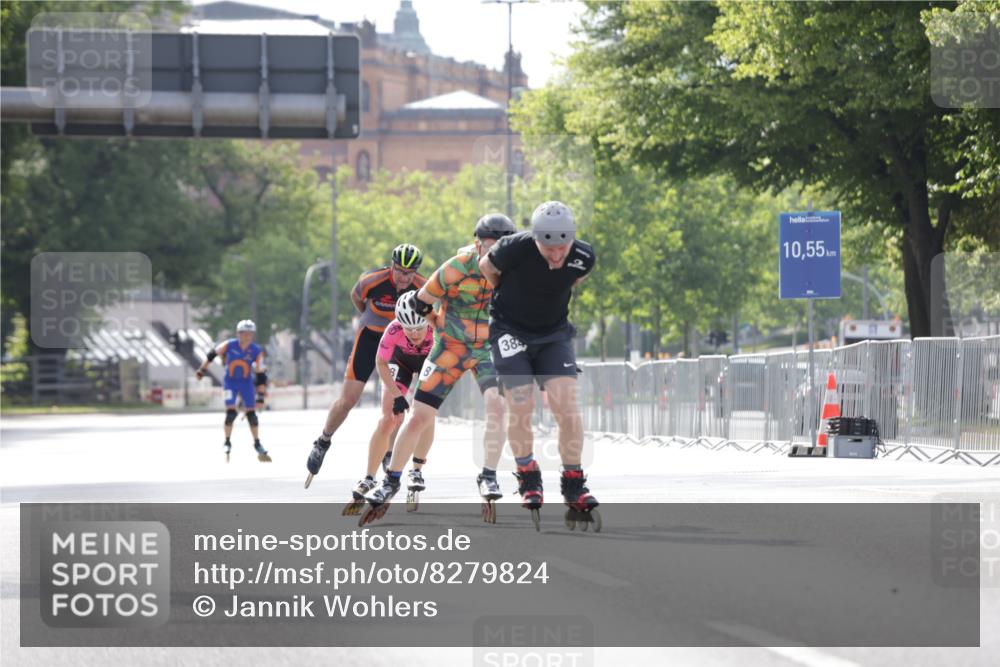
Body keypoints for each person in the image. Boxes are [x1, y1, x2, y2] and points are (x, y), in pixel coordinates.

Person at [361, 214, 517, 524]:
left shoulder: (513, 269)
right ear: (477, 243)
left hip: (487, 348)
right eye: (489, 246)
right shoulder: (458, 266)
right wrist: (440, 327)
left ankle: (488, 475)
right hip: (450, 349)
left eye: (502, 247)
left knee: (498, 408)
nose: (495, 253)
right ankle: (391, 480)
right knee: (419, 417)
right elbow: (421, 301)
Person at [478, 201, 600, 531]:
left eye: (563, 247)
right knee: (521, 402)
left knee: (567, 406)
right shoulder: (512, 248)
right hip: (509, 330)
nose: (557, 255)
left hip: (553, 333)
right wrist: (506, 292)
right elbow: (486, 267)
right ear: (535, 239)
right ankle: (528, 473)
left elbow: (574, 279)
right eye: (548, 248)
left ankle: (574, 482)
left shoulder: (584, 256)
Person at [305, 244, 426, 483]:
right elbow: (356, 297)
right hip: (369, 337)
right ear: (392, 266)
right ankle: (323, 440)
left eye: (410, 273)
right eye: (400, 271)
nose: (404, 277)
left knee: (394, 407)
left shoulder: (421, 286)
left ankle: (388, 453)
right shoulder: (373, 280)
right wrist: (369, 317)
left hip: (396, 346)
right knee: (348, 400)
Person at [339, 296, 434, 513]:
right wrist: (396, 395)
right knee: (388, 419)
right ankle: (369, 478)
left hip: (430, 361)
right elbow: (381, 362)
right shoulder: (392, 330)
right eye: (409, 329)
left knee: (426, 414)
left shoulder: (438, 328)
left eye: (419, 328)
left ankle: (416, 470)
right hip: (399, 362)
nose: (415, 334)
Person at [195, 319, 270, 463]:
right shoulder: (229, 345)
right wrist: (202, 369)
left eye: (249, 334)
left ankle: (257, 443)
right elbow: (212, 354)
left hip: (246, 383)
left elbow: (261, 374)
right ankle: (227, 441)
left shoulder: (256, 351)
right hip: (230, 382)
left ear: (252, 335)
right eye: (243, 333)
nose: (246, 337)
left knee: (252, 414)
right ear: (238, 334)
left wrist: (260, 396)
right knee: (231, 413)